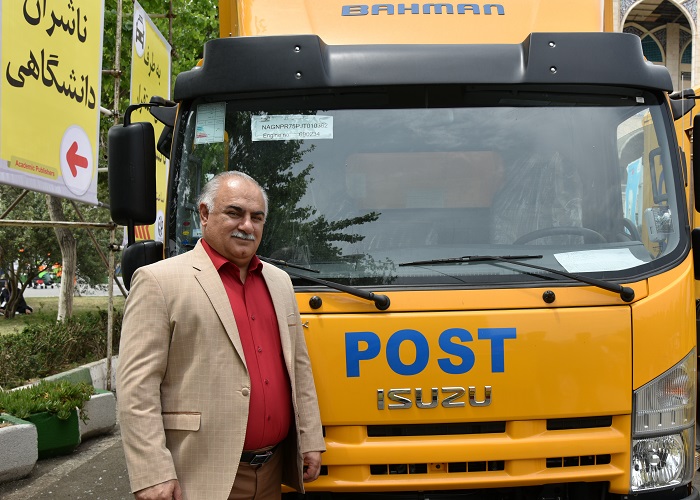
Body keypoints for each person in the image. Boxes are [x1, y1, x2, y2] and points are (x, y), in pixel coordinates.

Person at [118, 171, 325, 500]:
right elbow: (136, 388)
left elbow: (299, 367)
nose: (247, 226)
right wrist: (152, 472)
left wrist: (310, 437)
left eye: (257, 217)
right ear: (204, 214)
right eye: (234, 213)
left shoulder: (279, 282)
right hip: (200, 476)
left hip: (272, 472)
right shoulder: (158, 281)